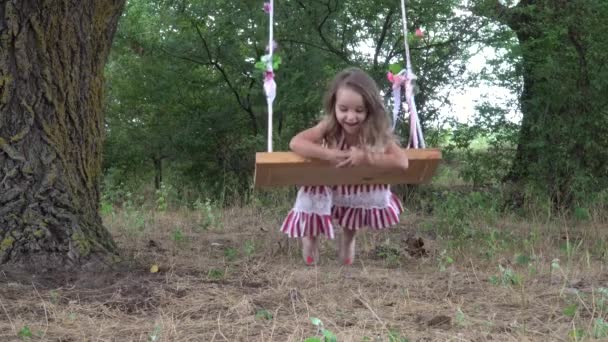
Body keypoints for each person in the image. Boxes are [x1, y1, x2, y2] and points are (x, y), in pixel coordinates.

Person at [280, 67, 409, 266]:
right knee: (311, 227)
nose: (350, 117)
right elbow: (296, 143)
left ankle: (346, 260)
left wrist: (366, 157)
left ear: (370, 109)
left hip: (355, 186)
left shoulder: (374, 131)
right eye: (344, 109)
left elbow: (402, 161)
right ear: (334, 107)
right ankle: (310, 259)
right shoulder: (329, 125)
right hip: (326, 183)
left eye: (359, 110)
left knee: (350, 229)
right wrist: (329, 154)